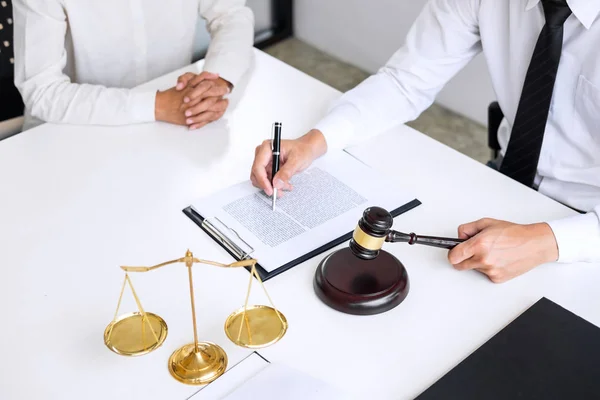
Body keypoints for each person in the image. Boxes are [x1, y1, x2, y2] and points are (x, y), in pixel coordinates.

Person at [250, 0, 600, 283]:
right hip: (504, 181)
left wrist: (548, 241)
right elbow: (406, 80)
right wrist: (316, 141)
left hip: (587, 224)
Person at [13, 0, 254, 131]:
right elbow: (41, 90)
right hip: (71, 130)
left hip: (174, 125)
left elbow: (231, 14)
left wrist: (216, 80)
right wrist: (157, 105)